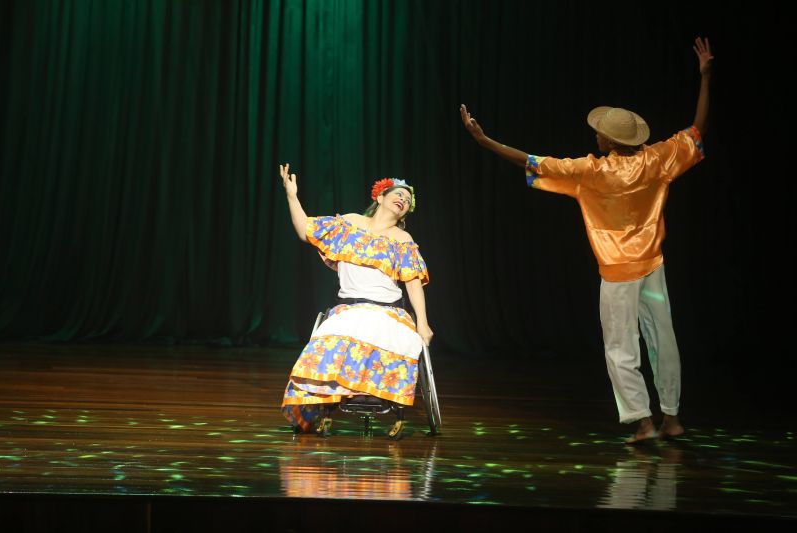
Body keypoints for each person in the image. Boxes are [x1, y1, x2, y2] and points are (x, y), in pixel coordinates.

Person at [460, 37, 713, 443]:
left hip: (618, 272)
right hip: (653, 266)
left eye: (599, 134)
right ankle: (673, 418)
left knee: (620, 345)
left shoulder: (591, 172)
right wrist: (706, 76)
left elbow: (531, 161)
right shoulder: (657, 159)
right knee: (663, 339)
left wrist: (484, 141)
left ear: (610, 143)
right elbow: (697, 131)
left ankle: (643, 422)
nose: (594, 136)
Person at [278, 163, 433, 436]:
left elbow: (413, 283)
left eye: (408, 201)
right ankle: (322, 403)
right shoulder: (350, 223)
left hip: (388, 312)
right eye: (399, 195)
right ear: (380, 197)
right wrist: (292, 195)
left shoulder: (403, 239)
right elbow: (305, 231)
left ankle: (380, 398)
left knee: (393, 340)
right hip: (348, 309)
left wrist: (423, 322)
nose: (403, 200)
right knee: (329, 341)